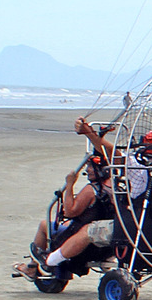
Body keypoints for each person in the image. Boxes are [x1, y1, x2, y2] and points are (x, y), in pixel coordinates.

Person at [16, 117, 119, 279]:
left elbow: (70, 211)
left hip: (83, 239)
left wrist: (70, 185)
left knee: (45, 225)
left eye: (90, 168)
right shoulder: (114, 186)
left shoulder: (92, 190)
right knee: (62, 223)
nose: (88, 171)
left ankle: (31, 267)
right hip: (105, 241)